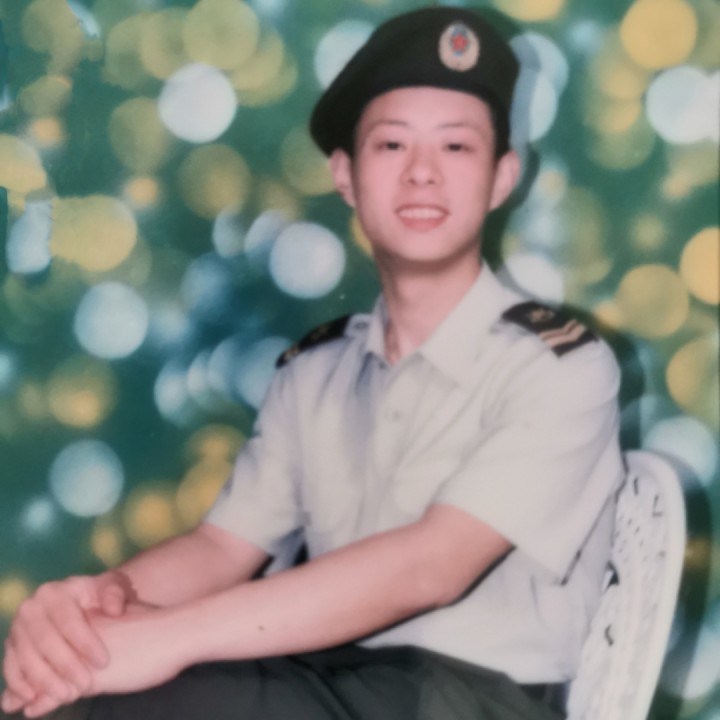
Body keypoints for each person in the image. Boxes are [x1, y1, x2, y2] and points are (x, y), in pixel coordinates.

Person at [1, 7, 624, 720]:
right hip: (327, 680)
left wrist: (164, 639)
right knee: (59, 691)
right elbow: (220, 547)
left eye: (456, 147)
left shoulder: (560, 367)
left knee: (136, 701)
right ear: (347, 176)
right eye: (391, 144)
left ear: (501, 177)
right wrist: (94, 610)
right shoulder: (316, 373)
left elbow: (433, 565)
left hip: (475, 699)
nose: (423, 173)